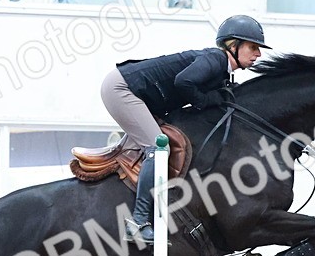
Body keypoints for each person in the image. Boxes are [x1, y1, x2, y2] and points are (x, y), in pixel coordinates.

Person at [101, 14, 269, 243]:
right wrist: (208, 99)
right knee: (157, 148)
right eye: (253, 47)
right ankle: (138, 222)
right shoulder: (215, 59)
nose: (258, 54)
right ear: (233, 45)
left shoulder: (221, 69)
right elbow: (184, 82)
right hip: (122, 89)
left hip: (135, 91)